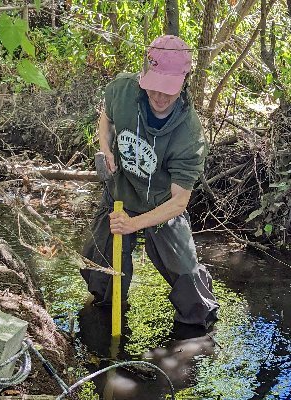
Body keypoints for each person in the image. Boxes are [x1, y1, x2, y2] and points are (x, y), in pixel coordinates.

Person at [80, 35, 219, 329]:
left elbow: (179, 201)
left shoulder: (189, 136)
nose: (159, 96)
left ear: (184, 81)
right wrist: (106, 149)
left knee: (188, 281)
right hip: (120, 193)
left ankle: (198, 334)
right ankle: (102, 324)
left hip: (161, 205)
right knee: (100, 269)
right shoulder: (123, 90)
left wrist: (134, 224)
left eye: (167, 89)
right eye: (153, 86)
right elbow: (106, 119)